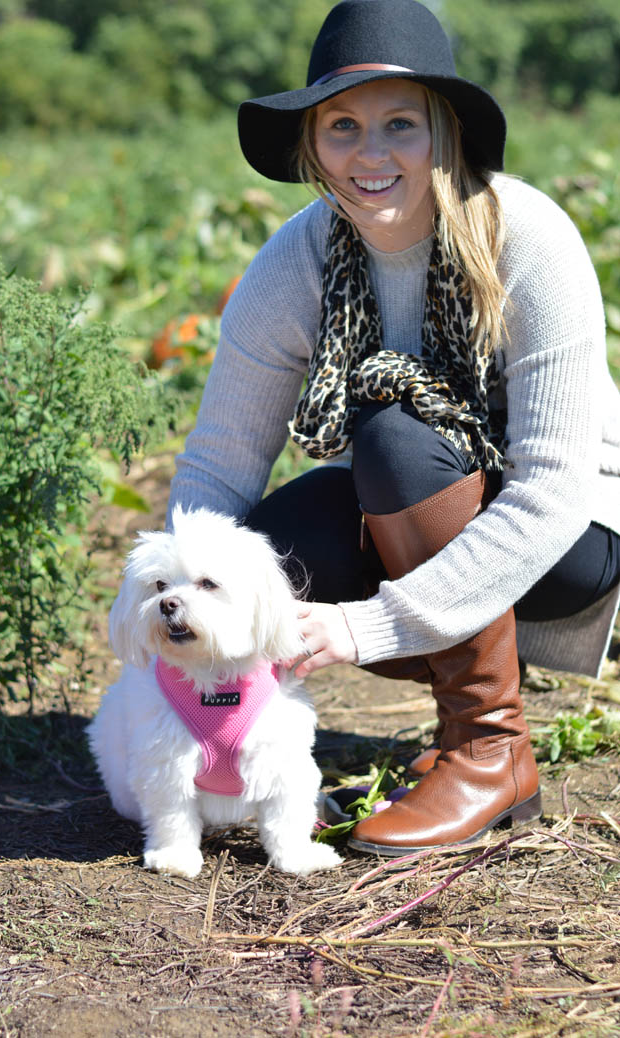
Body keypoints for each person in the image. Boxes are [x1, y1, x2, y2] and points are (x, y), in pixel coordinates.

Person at [167, 0, 620, 855]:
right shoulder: (297, 259)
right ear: (312, 144)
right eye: (343, 125)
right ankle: (268, 743)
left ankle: (488, 746)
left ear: (443, 132)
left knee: (391, 428)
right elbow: (218, 464)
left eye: (398, 124)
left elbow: (556, 492)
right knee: (267, 543)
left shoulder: (529, 237)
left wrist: (363, 626)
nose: (370, 154)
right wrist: (171, 611)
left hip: (569, 541)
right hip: (417, 526)